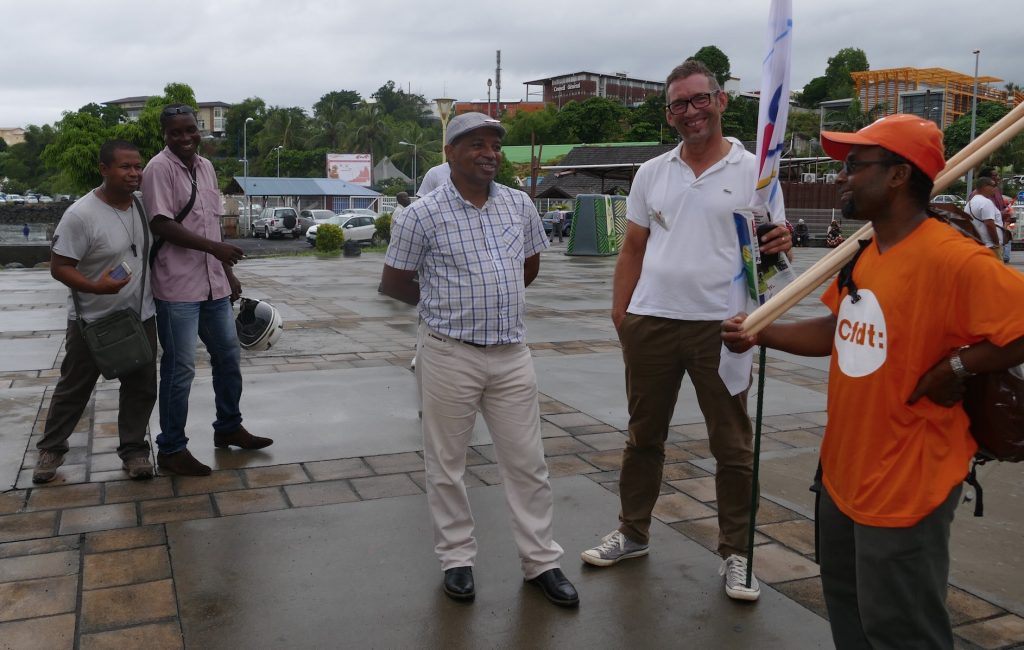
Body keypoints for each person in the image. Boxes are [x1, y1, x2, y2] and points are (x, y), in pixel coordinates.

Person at [722, 114, 1024, 649]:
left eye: (855, 164)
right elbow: (839, 329)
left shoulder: (952, 258)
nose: (842, 176)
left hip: (909, 478)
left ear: (898, 175)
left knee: (900, 628)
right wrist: (761, 334)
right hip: (843, 471)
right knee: (850, 613)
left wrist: (957, 367)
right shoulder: (867, 252)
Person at [579, 59, 790, 602]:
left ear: (721, 101)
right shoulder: (652, 173)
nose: (691, 111)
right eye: (679, 104)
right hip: (651, 320)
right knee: (643, 436)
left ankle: (737, 553)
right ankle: (632, 532)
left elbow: (770, 249)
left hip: (723, 325)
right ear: (669, 113)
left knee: (732, 444)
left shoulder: (757, 171)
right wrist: (622, 315)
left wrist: (780, 242)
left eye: (700, 99)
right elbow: (633, 247)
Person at [380, 112, 578, 607]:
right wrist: (447, 306)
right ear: (449, 152)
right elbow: (394, 282)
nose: (489, 153)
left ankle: (541, 561)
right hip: (449, 354)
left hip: (512, 354)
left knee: (528, 463)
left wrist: (492, 299)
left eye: (494, 145)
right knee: (447, 465)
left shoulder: (519, 204)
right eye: (477, 144)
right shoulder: (421, 214)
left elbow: (528, 265)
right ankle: (456, 559)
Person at [142, 104, 272, 477]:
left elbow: (211, 225)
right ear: (165, 135)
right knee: (180, 367)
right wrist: (215, 249)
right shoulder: (158, 169)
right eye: (175, 132)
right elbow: (161, 224)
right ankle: (171, 448)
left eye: (190, 130)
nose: (185, 138)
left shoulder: (207, 167)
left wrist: (226, 273)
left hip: (213, 284)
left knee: (228, 356)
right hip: (177, 287)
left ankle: (229, 426)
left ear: (199, 130)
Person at [34, 140, 157, 483]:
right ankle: (51, 449)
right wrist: (95, 287)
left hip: (140, 316)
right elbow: (59, 267)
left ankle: (134, 451)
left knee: (142, 386)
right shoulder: (81, 214)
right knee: (74, 387)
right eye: (125, 167)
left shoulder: (144, 205)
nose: (134, 173)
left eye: (138, 166)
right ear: (104, 169)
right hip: (91, 320)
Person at [964, 177, 1004, 257]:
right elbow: (989, 224)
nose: (995, 188)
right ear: (985, 186)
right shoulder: (986, 202)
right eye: (993, 185)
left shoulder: (970, 203)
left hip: (978, 244)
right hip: (990, 246)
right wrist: (996, 244)